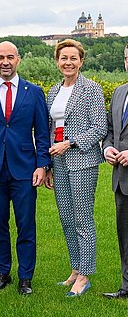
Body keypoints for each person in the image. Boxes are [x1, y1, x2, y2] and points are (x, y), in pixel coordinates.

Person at [0, 41, 50, 295]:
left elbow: (43, 133)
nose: (5, 61)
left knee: (26, 225)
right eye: (1, 57)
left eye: (10, 57)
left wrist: (42, 165)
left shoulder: (34, 91)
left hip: (25, 170)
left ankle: (26, 276)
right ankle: (2, 271)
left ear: (19, 59)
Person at [44, 39, 107, 296]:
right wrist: (48, 164)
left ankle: (85, 275)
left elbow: (99, 127)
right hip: (58, 162)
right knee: (67, 219)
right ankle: (75, 268)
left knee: (82, 219)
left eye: (73, 58)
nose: (68, 62)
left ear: (81, 61)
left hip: (82, 160)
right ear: (57, 61)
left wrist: (69, 143)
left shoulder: (90, 89)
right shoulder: (53, 91)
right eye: (63, 58)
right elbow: (49, 129)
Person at [103, 44, 128, 299]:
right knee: (125, 236)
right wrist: (108, 148)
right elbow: (111, 130)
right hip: (122, 179)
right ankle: (126, 287)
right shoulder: (120, 93)